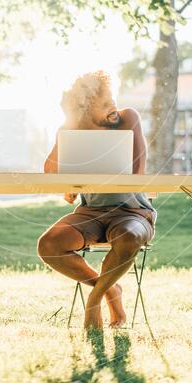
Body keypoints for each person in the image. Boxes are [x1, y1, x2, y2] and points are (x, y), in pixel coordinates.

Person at [37, 70, 156, 330]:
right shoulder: (71, 129)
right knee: (49, 245)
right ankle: (111, 289)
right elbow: (50, 172)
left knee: (129, 236)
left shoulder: (127, 118)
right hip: (90, 213)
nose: (113, 105)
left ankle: (96, 297)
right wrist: (71, 129)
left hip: (132, 212)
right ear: (86, 110)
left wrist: (94, 123)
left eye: (112, 98)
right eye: (104, 103)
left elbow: (137, 172)